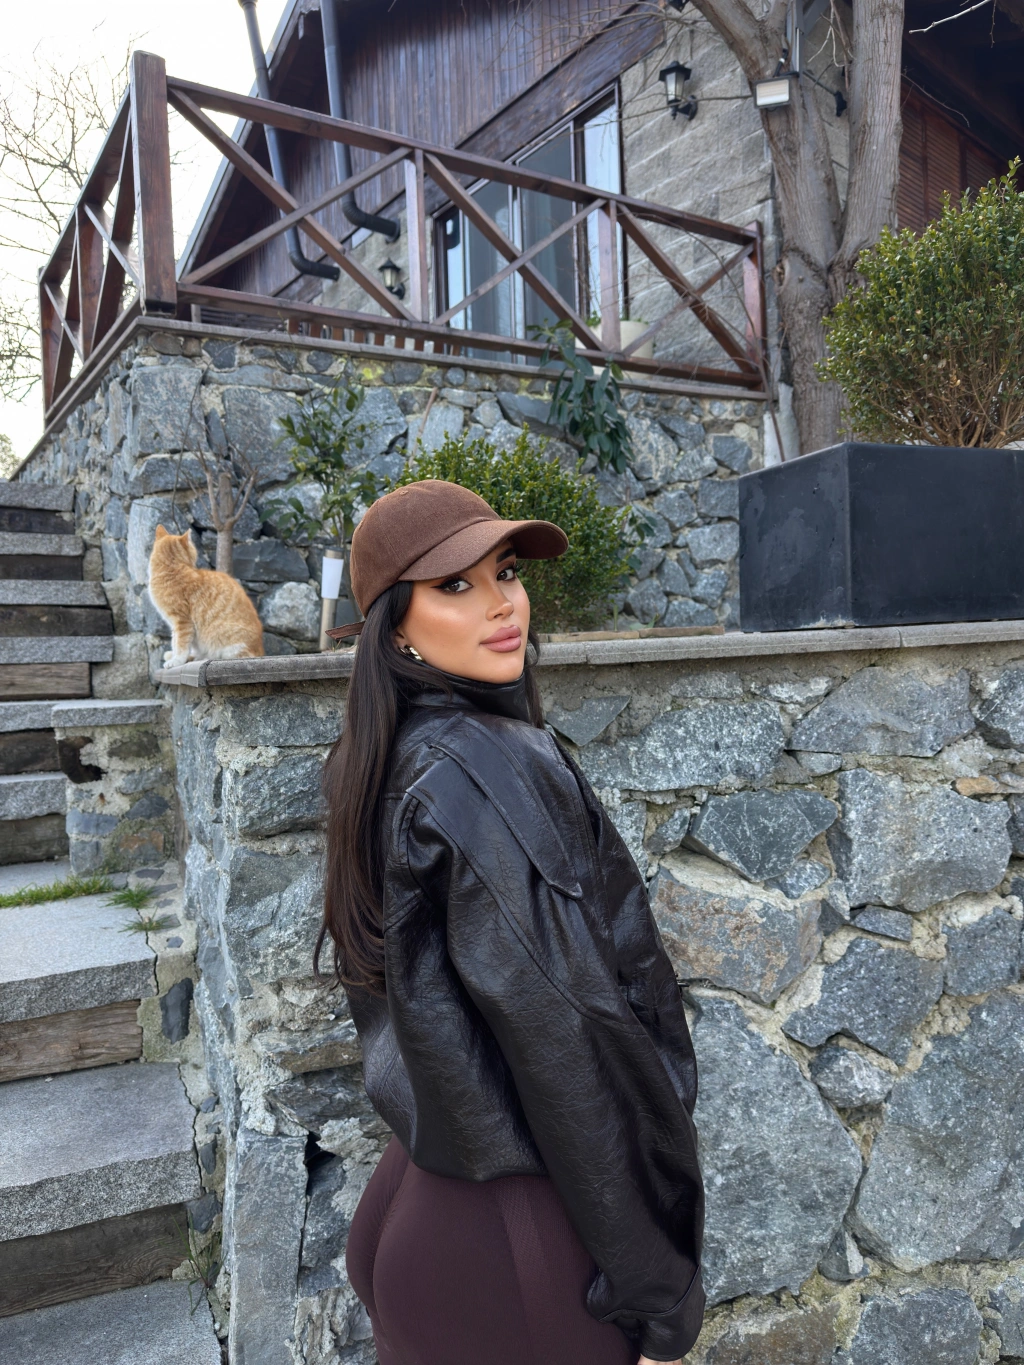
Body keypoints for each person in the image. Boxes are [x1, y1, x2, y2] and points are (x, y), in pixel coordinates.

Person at [318, 479, 705, 1365]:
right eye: (456, 584)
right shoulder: (488, 771)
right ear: (396, 628)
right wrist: (663, 1303)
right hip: (517, 1249)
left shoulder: (381, 755)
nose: (502, 604)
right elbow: (572, 1052)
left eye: (507, 572)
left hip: (420, 1205)